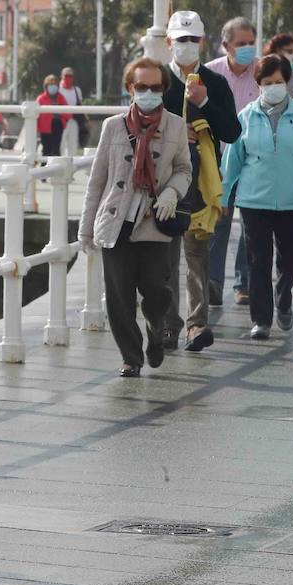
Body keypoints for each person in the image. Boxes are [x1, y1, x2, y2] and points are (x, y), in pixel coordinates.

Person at [79, 58, 192, 378]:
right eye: (142, 87)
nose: (148, 93)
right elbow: (97, 181)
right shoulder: (113, 126)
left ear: (164, 89)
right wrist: (85, 229)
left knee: (157, 290)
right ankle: (131, 358)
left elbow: (184, 169)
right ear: (130, 88)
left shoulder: (175, 126)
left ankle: (156, 329)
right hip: (116, 221)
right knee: (119, 297)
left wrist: (172, 192)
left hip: (155, 221)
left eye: (155, 87)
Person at [221, 54, 293, 340]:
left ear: (287, 82)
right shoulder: (245, 117)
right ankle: (261, 320)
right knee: (258, 261)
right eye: (267, 82)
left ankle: (283, 297)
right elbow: (232, 161)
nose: (273, 87)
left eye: (278, 81)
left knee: (291, 260)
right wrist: (222, 195)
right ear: (258, 85)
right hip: (254, 201)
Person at [161, 10, 239, 353]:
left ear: (203, 42)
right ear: (169, 42)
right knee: (165, 257)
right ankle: (168, 325)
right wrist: (177, 132)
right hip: (164, 182)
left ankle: (196, 325)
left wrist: (203, 102)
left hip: (202, 181)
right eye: (181, 39)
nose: (187, 45)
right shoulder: (157, 80)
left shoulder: (215, 83)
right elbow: (138, 124)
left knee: (197, 255)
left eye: (193, 39)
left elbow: (232, 132)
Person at [205, 17, 261, 308]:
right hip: (219, 162)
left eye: (251, 43)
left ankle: (245, 283)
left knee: (252, 224)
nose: (248, 48)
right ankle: (213, 283)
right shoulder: (210, 74)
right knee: (219, 221)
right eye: (241, 44)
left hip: (255, 162)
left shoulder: (263, 71)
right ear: (226, 45)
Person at [36, 75, 67, 156]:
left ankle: (56, 164)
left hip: (58, 125)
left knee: (56, 149)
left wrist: (64, 121)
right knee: (46, 149)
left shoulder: (61, 97)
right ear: (46, 86)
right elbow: (36, 115)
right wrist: (37, 129)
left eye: (55, 84)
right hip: (45, 127)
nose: (53, 86)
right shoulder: (41, 98)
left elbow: (67, 112)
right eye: (50, 84)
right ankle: (44, 164)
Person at [57, 67, 85, 155]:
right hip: (61, 120)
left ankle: (71, 163)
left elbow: (80, 104)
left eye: (70, 76)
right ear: (62, 76)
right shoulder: (58, 90)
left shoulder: (77, 90)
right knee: (61, 145)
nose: (68, 78)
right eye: (66, 76)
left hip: (73, 120)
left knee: (73, 145)